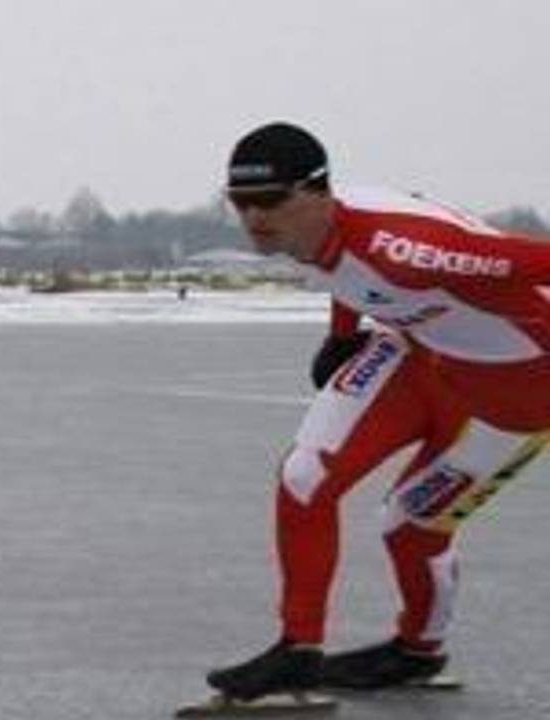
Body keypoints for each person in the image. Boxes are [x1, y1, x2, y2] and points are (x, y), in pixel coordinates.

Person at [206, 122, 550, 700]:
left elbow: (530, 261)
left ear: (317, 193)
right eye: (240, 203)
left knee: (409, 525)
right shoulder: (309, 228)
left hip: (520, 392)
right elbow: (345, 277)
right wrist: (342, 336)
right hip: (420, 353)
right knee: (305, 478)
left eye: (269, 201)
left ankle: (418, 651)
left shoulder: (402, 248)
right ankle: (299, 649)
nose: (255, 218)